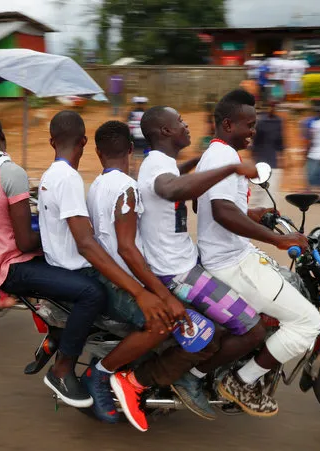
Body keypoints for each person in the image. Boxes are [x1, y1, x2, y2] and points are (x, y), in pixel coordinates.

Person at [110, 105, 268, 427]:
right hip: (177, 272)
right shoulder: (156, 166)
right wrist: (230, 170)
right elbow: (169, 188)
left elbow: (176, 177)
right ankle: (158, 379)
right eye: (180, 121)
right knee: (251, 328)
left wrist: (198, 163)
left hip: (185, 261)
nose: (186, 124)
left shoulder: (162, 161)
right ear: (166, 132)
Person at [38, 111, 190, 430]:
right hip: (119, 281)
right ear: (131, 150)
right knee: (162, 324)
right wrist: (154, 294)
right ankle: (102, 373)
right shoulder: (126, 190)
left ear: (97, 151)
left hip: (107, 276)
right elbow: (126, 249)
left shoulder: (96, 185)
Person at [0, 110, 107, 409]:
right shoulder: (10, 171)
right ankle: (62, 370)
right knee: (91, 292)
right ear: (2, 137)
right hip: (12, 266)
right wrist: (57, 235)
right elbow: (25, 241)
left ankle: (57, 335)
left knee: (73, 277)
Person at [196, 89, 320, 417]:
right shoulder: (223, 157)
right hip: (232, 263)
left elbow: (213, 208)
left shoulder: (218, 155)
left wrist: (256, 214)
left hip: (233, 255)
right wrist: (278, 240)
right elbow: (222, 212)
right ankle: (242, 381)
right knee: (308, 323)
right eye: (248, 125)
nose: (253, 131)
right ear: (227, 124)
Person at [250, 99, 285, 205]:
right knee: (258, 190)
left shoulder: (278, 121)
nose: (272, 109)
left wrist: (282, 158)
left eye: (274, 107)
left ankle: (267, 214)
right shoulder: (260, 122)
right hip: (261, 160)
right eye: (270, 106)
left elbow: (280, 141)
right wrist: (253, 157)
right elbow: (255, 142)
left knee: (271, 191)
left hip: (272, 160)